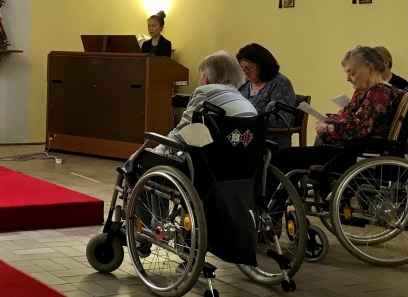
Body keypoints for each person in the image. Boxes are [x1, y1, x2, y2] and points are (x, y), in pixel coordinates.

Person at [272, 46, 404, 177]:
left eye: (352, 73)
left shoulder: (379, 93)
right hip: (350, 149)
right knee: (287, 155)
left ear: (370, 68)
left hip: (358, 152)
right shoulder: (365, 92)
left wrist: (328, 128)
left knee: (284, 156)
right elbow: (346, 116)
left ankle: (281, 196)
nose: (348, 78)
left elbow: (358, 128)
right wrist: (328, 122)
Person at [125, 50, 257, 177]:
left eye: (200, 76)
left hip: (207, 168)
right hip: (238, 168)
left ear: (206, 78)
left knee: (138, 159)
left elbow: (181, 133)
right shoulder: (245, 101)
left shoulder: (204, 92)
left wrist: (156, 151)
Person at [236, 43, 296, 150]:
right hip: (244, 136)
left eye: (249, 68)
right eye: (242, 69)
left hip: (269, 140)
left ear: (262, 65)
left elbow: (282, 121)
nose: (246, 73)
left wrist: (249, 119)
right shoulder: (243, 84)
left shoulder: (280, 83)